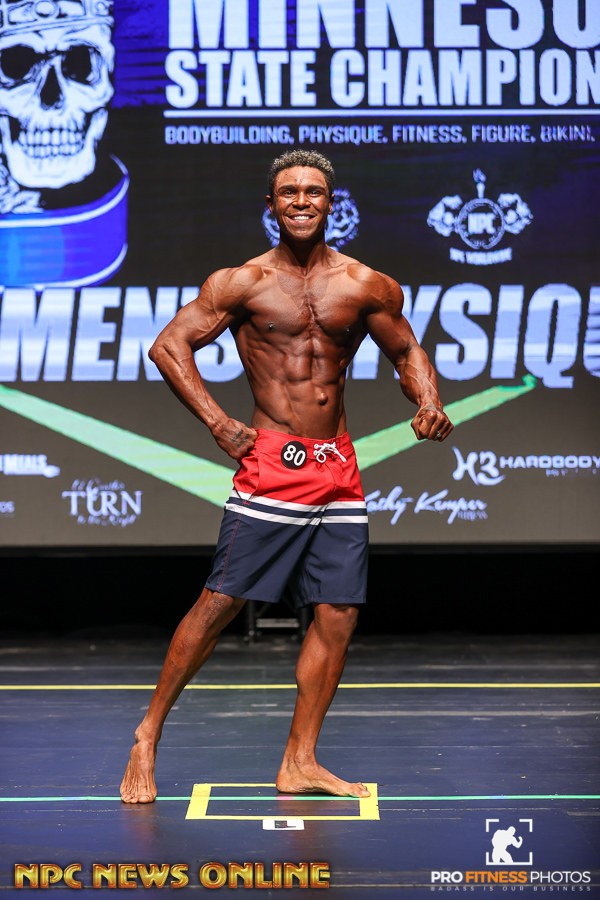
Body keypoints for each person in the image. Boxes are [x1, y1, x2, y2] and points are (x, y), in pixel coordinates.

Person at [120, 149, 453, 804]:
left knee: (338, 613)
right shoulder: (243, 283)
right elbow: (169, 345)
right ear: (270, 205)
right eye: (289, 192)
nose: (302, 201)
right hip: (275, 462)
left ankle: (300, 760)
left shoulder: (365, 284)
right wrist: (218, 422)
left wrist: (429, 399)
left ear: (331, 203)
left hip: (338, 465)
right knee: (221, 601)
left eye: (313, 191)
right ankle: (148, 732)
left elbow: (406, 350)